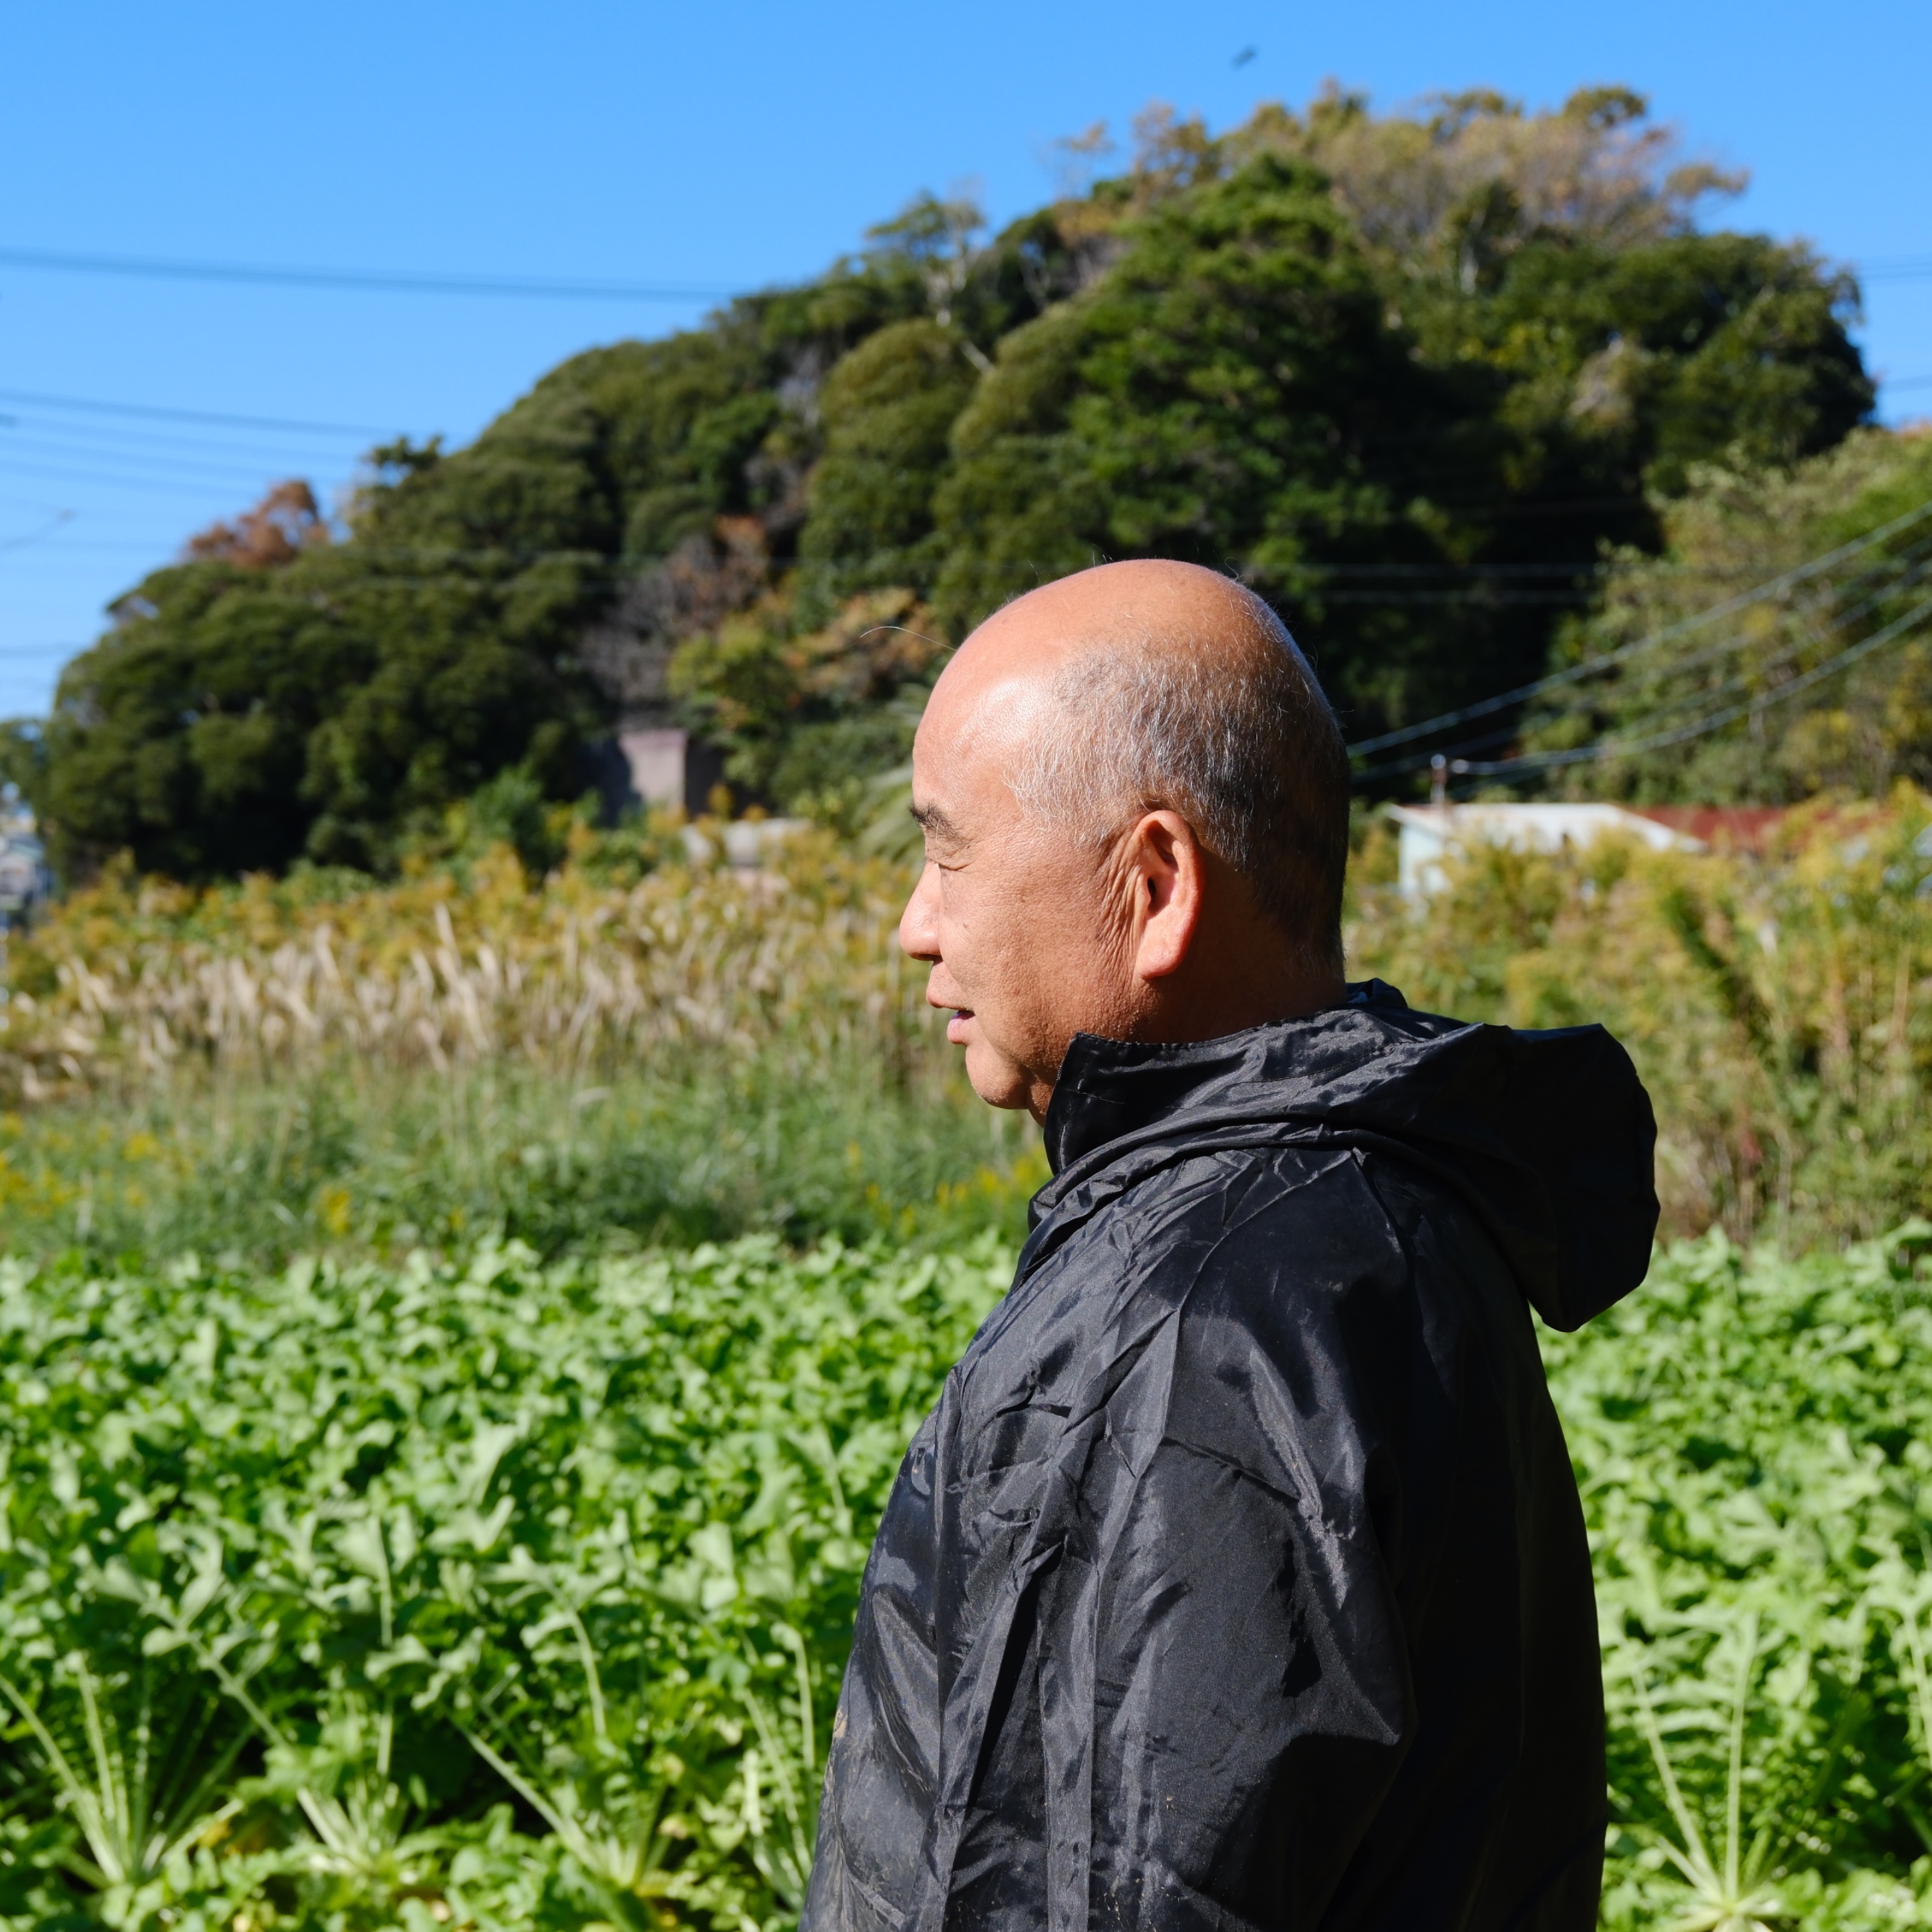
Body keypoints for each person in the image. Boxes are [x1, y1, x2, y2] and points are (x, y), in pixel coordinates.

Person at [802, 560, 1657, 1932]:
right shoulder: (1391, 1221)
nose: (916, 925)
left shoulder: (1188, 1330)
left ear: (1154, 886)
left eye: (947, 853)